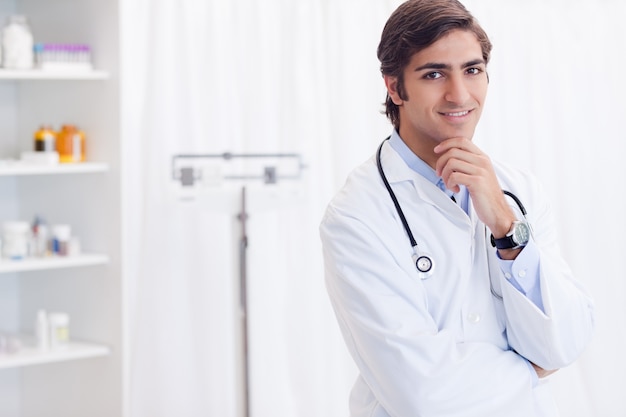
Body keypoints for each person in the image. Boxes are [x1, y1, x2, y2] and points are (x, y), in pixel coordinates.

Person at [319, 1, 595, 416]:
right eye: (434, 74)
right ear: (394, 86)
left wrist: (505, 225)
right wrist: (532, 372)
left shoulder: (518, 192)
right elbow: (421, 396)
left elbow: (567, 339)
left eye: (472, 70)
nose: (460, 94)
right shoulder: (356, 216)